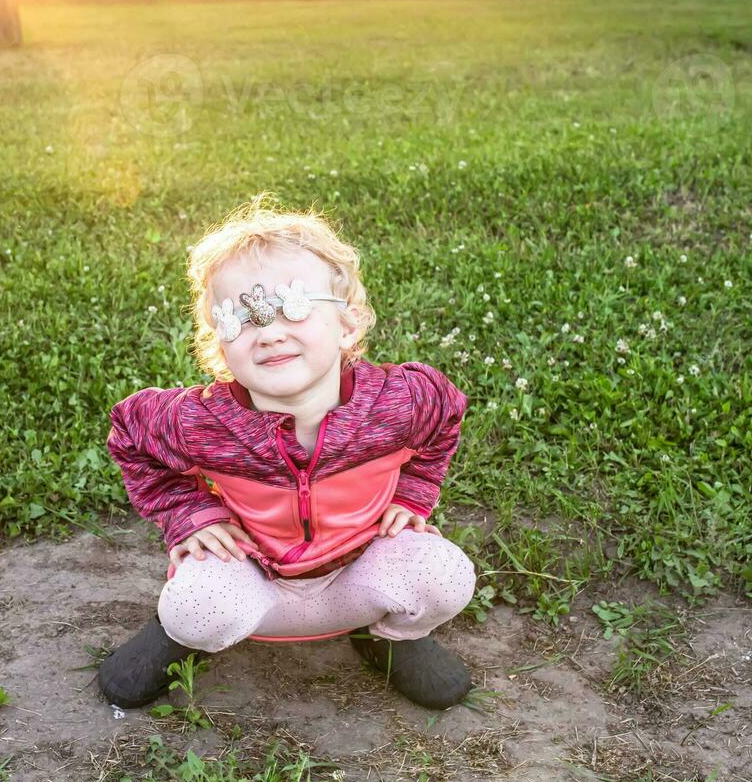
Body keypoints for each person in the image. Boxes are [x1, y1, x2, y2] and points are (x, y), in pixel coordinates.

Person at [98, 196, 477, 710]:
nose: (270, 332)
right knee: (195, 607)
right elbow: (130, 434)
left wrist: (413, 494)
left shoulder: (399, 401)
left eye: (293, 306)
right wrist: (188, 514)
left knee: (444, 575)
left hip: (359, 572)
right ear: (218, 341)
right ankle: (180, 636)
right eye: (242, 318)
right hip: (253, 580)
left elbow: (446, 416)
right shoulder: (200, 420)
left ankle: (388, 637)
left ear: (348, 325)